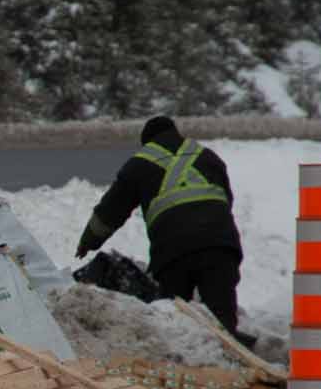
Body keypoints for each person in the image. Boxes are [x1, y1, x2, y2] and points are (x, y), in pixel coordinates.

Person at [75, 115, 247, 338]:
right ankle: (235, 362)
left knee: (177, 322)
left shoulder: (140, 163)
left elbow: (110, 211)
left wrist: (88, 242)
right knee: (222, 315)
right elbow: (226, 199)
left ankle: (189, 365)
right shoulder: (207, 156)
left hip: (174, 251)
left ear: (148, 142)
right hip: (220, 245)